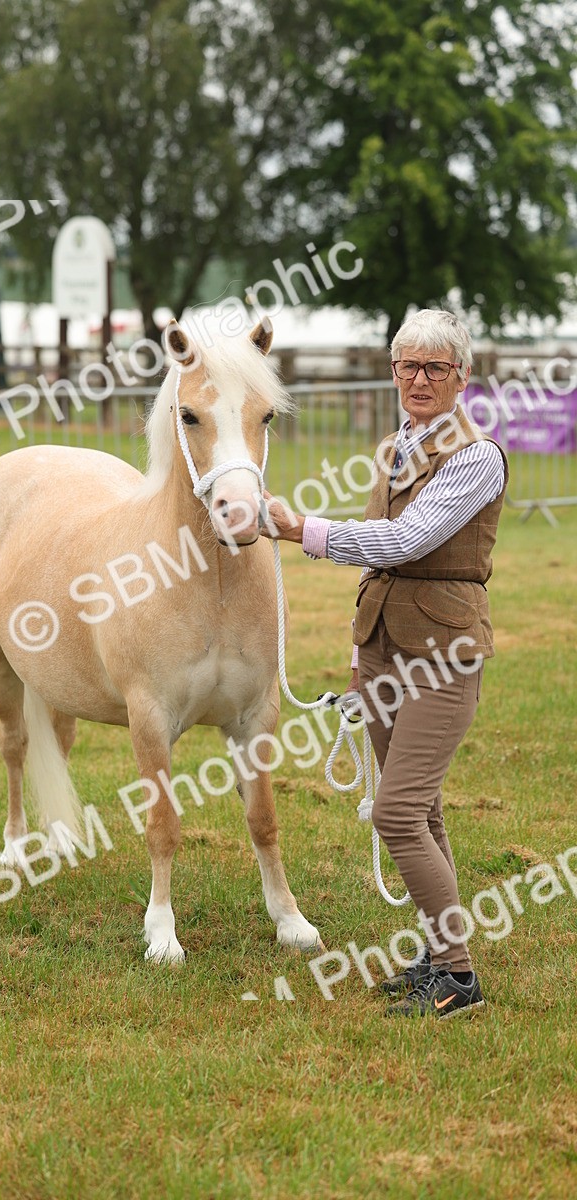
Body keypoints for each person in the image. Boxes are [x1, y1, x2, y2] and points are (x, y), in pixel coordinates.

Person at [261, 309, 508, 1018]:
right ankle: (437, 954)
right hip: (380, 652)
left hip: (444, 656)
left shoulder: (476, 455)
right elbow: (378, 568)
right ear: (393, 371)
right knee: (422, 813)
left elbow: (405, 540)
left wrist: (301, 529)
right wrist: (355, 662)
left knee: (397, 813)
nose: (419, 379)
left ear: (462, 377)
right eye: (408, 366)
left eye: (435, 367)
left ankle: (458, 978)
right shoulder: (394, 444)